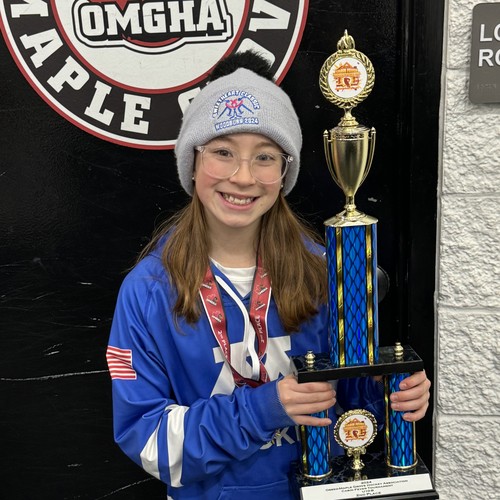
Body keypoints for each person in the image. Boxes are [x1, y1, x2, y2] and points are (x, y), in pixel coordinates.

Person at [107, 51, 431, 500]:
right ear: (193, 163)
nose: (243, 177)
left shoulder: (329, 273)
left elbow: (355, 406)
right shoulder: (148, 290)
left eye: (264, 156)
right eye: (222, 152)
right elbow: (150, 443)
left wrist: (392, 393)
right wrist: (264, 408)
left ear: (284, 172)